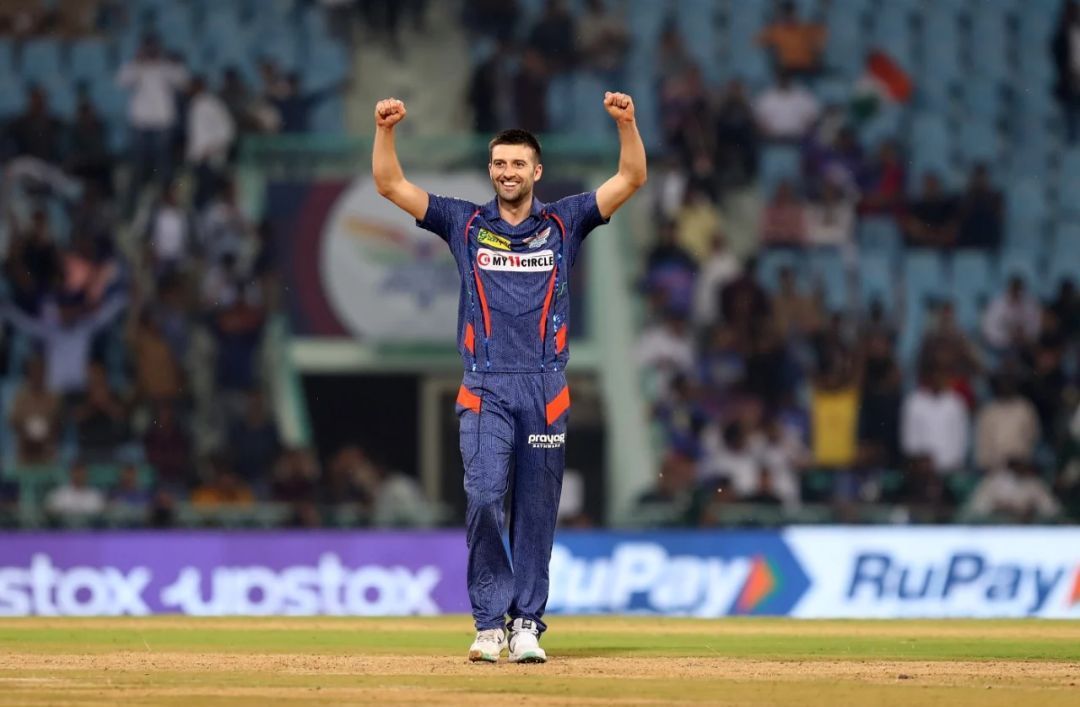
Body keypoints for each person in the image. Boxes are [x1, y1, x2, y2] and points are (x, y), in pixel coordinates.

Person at [372, 91, 645, 663]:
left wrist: (626, 124)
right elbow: (391, 186)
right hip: (486, 385)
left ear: (536, 171)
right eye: (499, 163)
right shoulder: (463, 222)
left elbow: (631, 177)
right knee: (482, 496)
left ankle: (527, 624)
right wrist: (385, 131)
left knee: (539, 509)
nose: (507, 172)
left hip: (546, 387)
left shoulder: (565, 220)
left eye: (518, 163)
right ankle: (489, 624)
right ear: (490, 170)